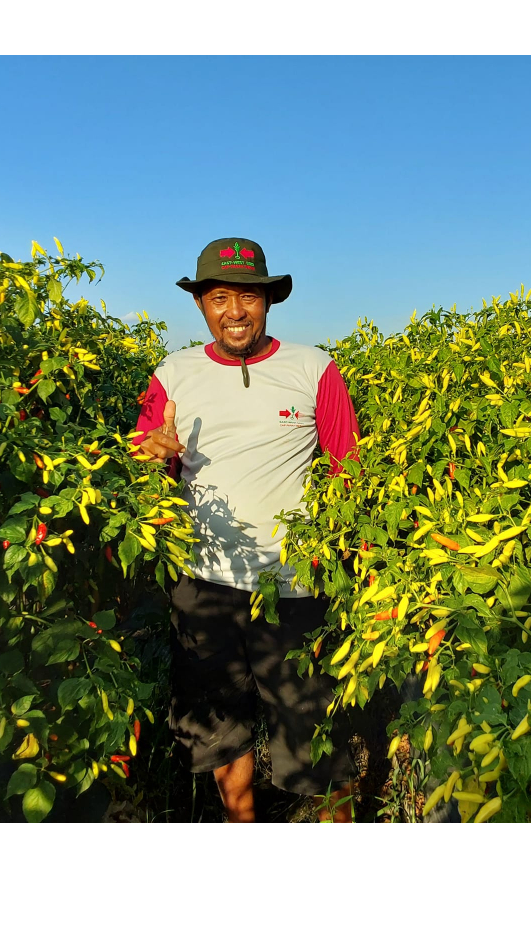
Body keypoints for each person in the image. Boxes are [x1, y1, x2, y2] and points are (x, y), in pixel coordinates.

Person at [132, 238, 360, 822]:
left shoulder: (314, 369)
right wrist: (154, 459)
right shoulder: (172, 374)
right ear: (200, 304)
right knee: (219, 728)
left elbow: (348, 468)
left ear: (268, 301)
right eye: (219, 298)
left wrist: (354, 560)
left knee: (314, 730)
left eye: (249, 297)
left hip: (295, 582)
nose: (235, 311)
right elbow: (142, 472)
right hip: (204, 585)